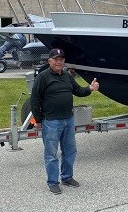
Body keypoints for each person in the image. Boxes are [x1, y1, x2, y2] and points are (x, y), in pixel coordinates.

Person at [31, 48, 99, 194]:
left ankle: (67, 177)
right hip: (51, 122)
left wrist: (90, 88)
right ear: (49, 61)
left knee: (70, 151)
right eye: (56, 59)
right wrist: (37, 119)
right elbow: (35, 99)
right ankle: (53, 182)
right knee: (51, 154)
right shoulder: (43, 77)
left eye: (61, 59)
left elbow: (78, 91)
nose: (59, 62)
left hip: (68, 120)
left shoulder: (68, 76)